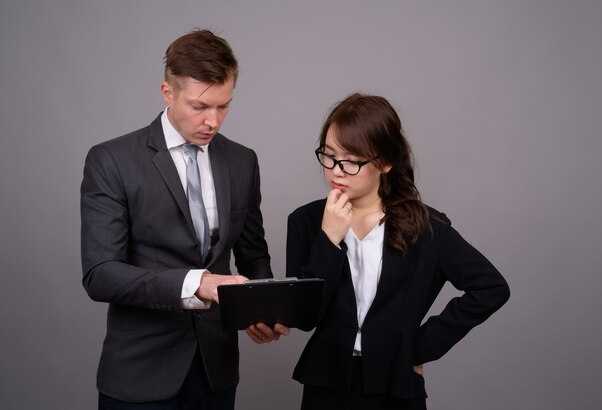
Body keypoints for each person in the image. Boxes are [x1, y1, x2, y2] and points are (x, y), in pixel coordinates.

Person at [81, 29, 289, 410]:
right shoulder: (111, 160)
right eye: (199, 106)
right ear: (168, 92)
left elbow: (253, 254)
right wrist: (199, 283)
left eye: (224, 106)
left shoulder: (243, 161)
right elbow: (101, 273)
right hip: (139, 376)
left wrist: (261, 307)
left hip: (216, 373)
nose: (213, 121)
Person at [286, 93, 510, 410]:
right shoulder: (305, 222)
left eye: (351, 160)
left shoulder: (427, 226)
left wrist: (419, 347)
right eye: (328, 155)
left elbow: (492, 287)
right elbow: (305, 317)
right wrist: (329, 240)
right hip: (326, 382)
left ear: (386, 162)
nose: (336, 170)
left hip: (396, 385)